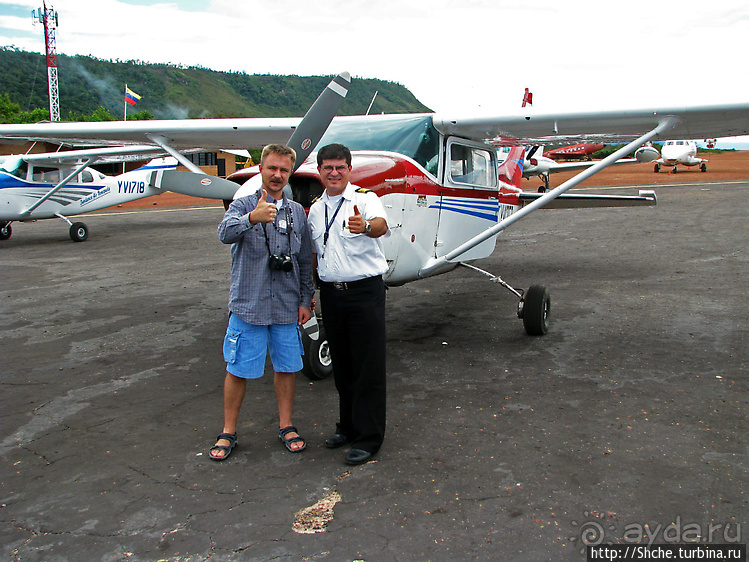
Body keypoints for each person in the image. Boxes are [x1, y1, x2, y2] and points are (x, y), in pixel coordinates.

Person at [209, 144, 314, 461]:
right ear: (261, 169)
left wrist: (306, 298)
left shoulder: (296, 212)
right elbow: (223, 233)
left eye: (284, 170)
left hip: (285, 305)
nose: (277, 175)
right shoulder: (242, 204)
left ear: (289, 173)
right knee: (237, 369)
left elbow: (305, 260)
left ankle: (286, 425)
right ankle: (228, 431)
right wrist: (251, 218)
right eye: (272, 168)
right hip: (249, 306)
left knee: (286, 368)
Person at [308, 143, 389, 466]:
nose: (334, 173)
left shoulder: (365, 199)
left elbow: (381, 226)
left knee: (368, 365)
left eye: (340, 167)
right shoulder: (316, 209)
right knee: (342, 366)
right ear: (320, 172)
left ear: (349, 170)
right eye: (328, 167)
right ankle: (348, 426)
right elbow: (316, 253)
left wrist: (366, 227)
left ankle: (370, 438)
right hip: (331, 293)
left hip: (363, 293)